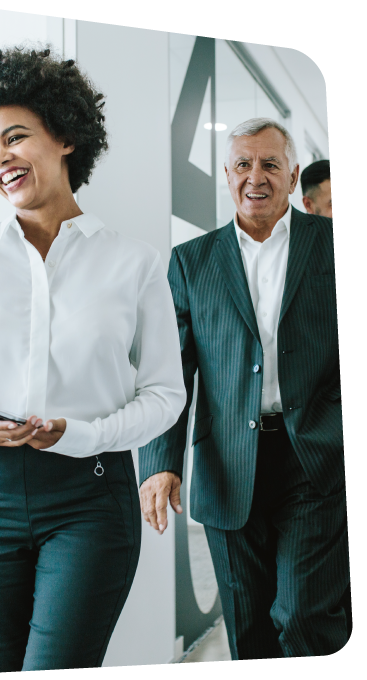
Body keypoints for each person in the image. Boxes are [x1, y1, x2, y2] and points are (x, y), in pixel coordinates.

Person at [0, 45, 186, 671]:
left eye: (15, 137)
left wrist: (83, 433)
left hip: (90, 500)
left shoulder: (135, 263)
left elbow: (165, 396)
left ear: (64, 136)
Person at [139, 118, 348, 659]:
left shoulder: (327, 244)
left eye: (271, 164)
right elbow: (171, 368)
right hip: (228, 465)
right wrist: (161, 461)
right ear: (227, 176)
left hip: (316, 458)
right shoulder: (192, 261)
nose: (256, 175)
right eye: (242, 164)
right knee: (250, 628)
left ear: (292, 173)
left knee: (303, 616)